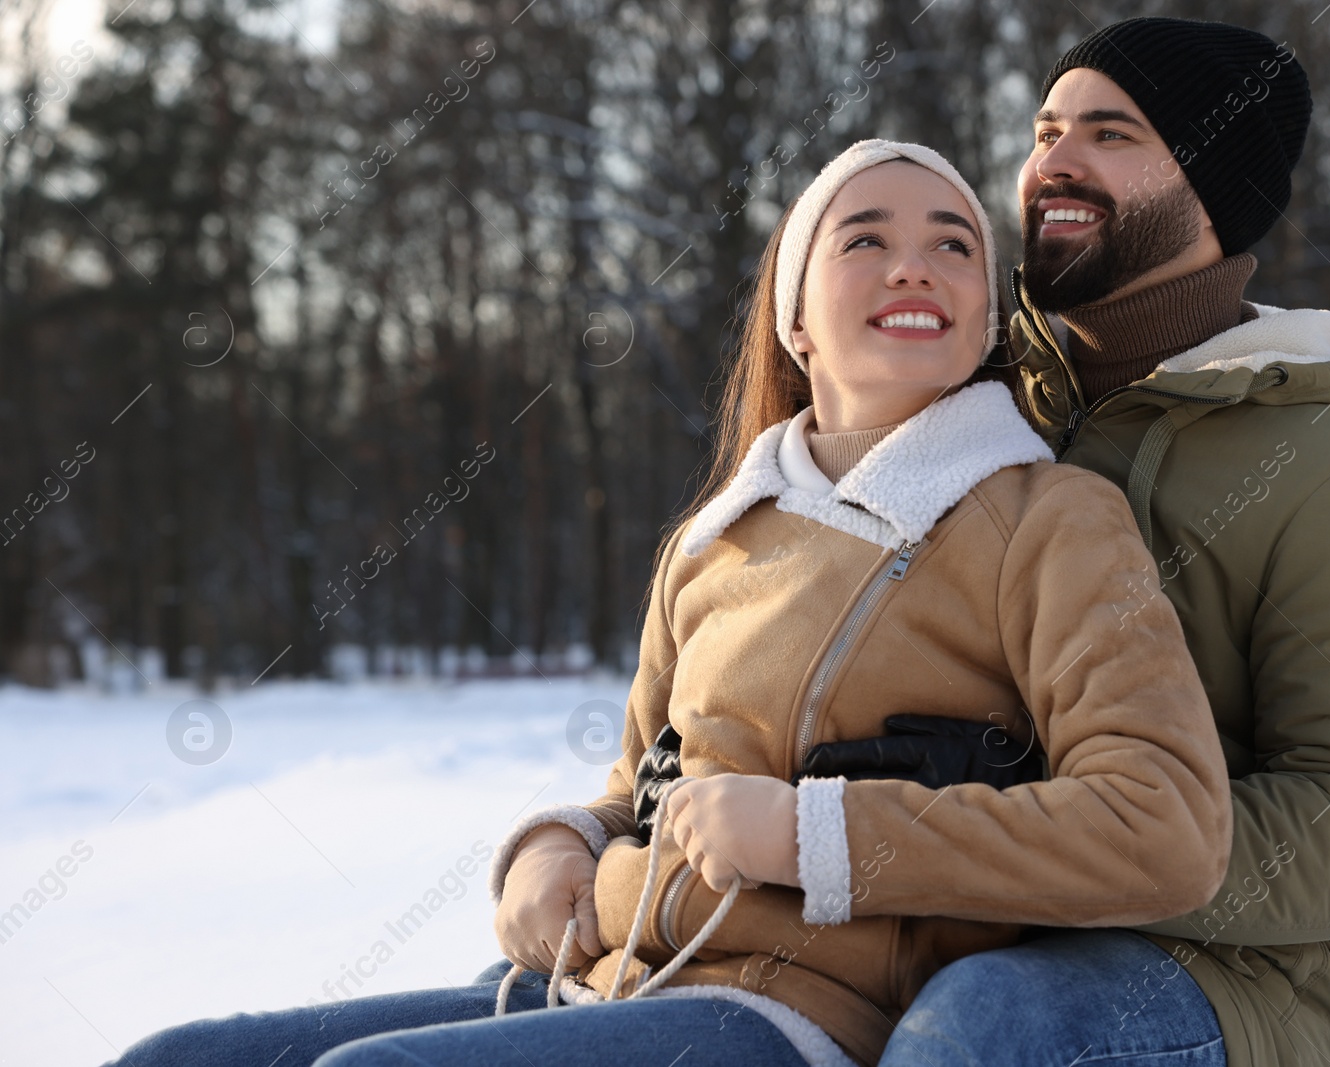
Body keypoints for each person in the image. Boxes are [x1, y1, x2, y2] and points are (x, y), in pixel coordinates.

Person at [106, 139, 1232, 1067]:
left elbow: (1162, 826)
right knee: (183, 1055)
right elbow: (639, 790)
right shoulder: (719, 536)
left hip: (803, 1017)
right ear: (795, 319)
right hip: (609, 985)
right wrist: (551, 853)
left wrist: (814, 833)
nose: (915, 265)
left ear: (987, 316)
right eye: (866, 239)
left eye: (953, 244)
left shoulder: (1047, 518)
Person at [867, 18, 1330, 1067]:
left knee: (984, 1026)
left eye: (1109, 133)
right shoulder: (961, 399)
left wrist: (1046, 844)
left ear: (1212, 186)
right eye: (1047, 128)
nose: (1053, 160)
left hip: (1221, 987)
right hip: (905, 921)